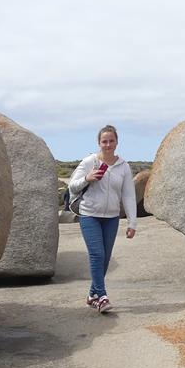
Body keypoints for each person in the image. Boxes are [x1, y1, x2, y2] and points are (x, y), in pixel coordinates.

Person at [68, 126, 139, 314]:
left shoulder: (123, 166)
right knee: (97, 255)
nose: (108, 145)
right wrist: (87, 178)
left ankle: (92, 295)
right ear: (99, 143)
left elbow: (129, 196)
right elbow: (72, 187)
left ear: (117, 142)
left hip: (111, 218)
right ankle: (102, 296)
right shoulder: (89, 161)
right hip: (89, 215)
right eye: (104, 141)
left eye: (111, 141)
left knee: (105, 259)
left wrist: (132, 223)